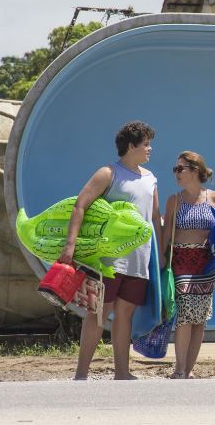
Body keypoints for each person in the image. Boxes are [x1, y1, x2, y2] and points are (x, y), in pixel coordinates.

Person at [59, 120, 162, 380]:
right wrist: (70, 245)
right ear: (131, 145)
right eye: (146, 144)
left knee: (124, 315)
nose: (150, 149)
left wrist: (160, 258)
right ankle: (81, 373)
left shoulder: (151, 179)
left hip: (139, 260)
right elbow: (80, 205)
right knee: (97, 314)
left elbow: (154, 217)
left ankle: (122, 372)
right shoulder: (108, 173)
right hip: (108, 260)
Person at [162, 150, 215, 379]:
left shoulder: (214, 197)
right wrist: (163, 260)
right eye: (175, 169)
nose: (176, 173)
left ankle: (188, 369)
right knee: (184, 314)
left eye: (180, 168)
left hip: (206, 263)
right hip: (181, 261)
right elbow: (165, 233)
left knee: (199, 318)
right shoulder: (175, 200)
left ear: (195, 170)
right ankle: (180, 368)